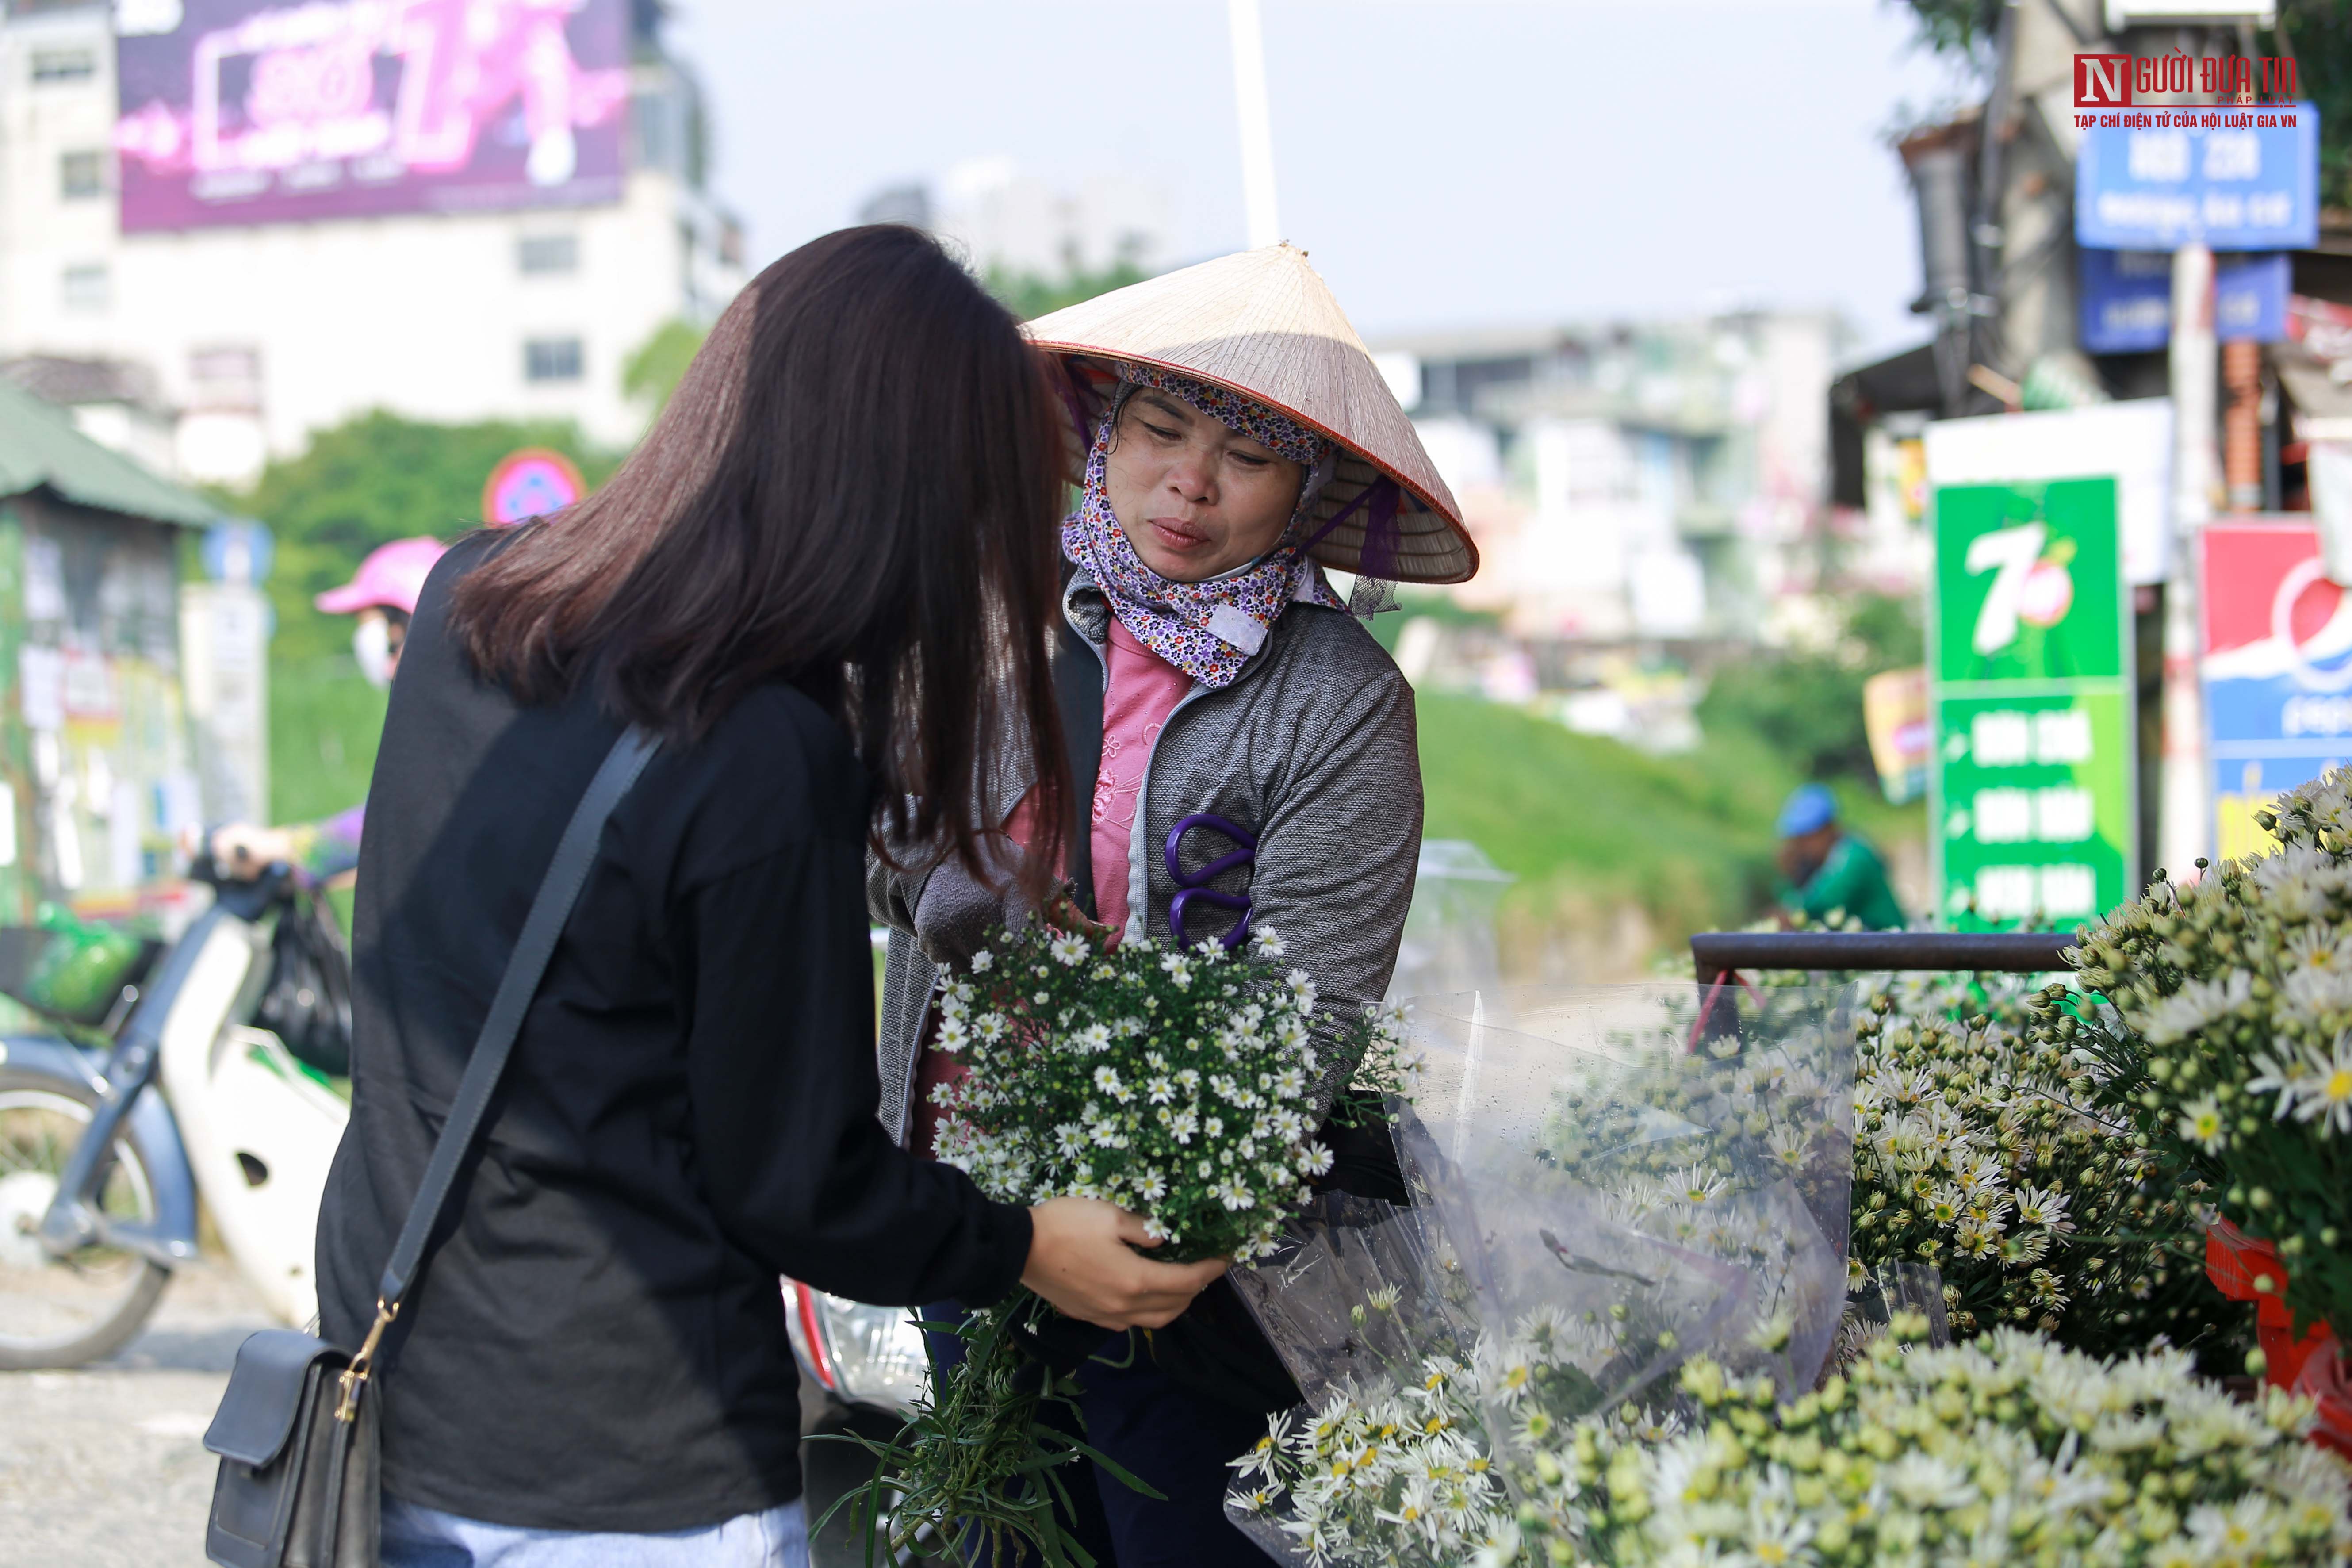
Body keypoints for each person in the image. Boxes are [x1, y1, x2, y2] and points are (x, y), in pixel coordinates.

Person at [313, 226, 1227, 1568]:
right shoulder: (757, 753)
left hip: (396, 1388)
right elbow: (795, 1176)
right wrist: (1029, 1241)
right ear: (920, 497)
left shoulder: (474, 596)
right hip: (633, 1462)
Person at [870, 243, 1480, 1566]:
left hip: (1192, 1257)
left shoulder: (1339, 703)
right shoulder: (987, 615)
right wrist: (957, 895)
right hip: (966, 1203)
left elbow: (1306, 1014)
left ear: (1306, 487)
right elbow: (878, 834)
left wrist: (1163, 1224)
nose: (1187, 483)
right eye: (1157, 429)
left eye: (1246, 459)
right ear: (1102, 428)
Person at [209, 536, 447, 884]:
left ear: (408, 625)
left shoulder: (448, 715)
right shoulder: (449, 704)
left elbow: (390, 822)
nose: (368, 642)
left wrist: (276, 845)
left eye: (373, 625)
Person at [1776, 782, 1907, 930]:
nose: (1802, 848)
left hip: (1890, 942)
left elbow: (1822, 902)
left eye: (1806, 839)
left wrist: (1789, 910)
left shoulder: (1853, 856)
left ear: (1828, 829)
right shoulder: (1828, 859)